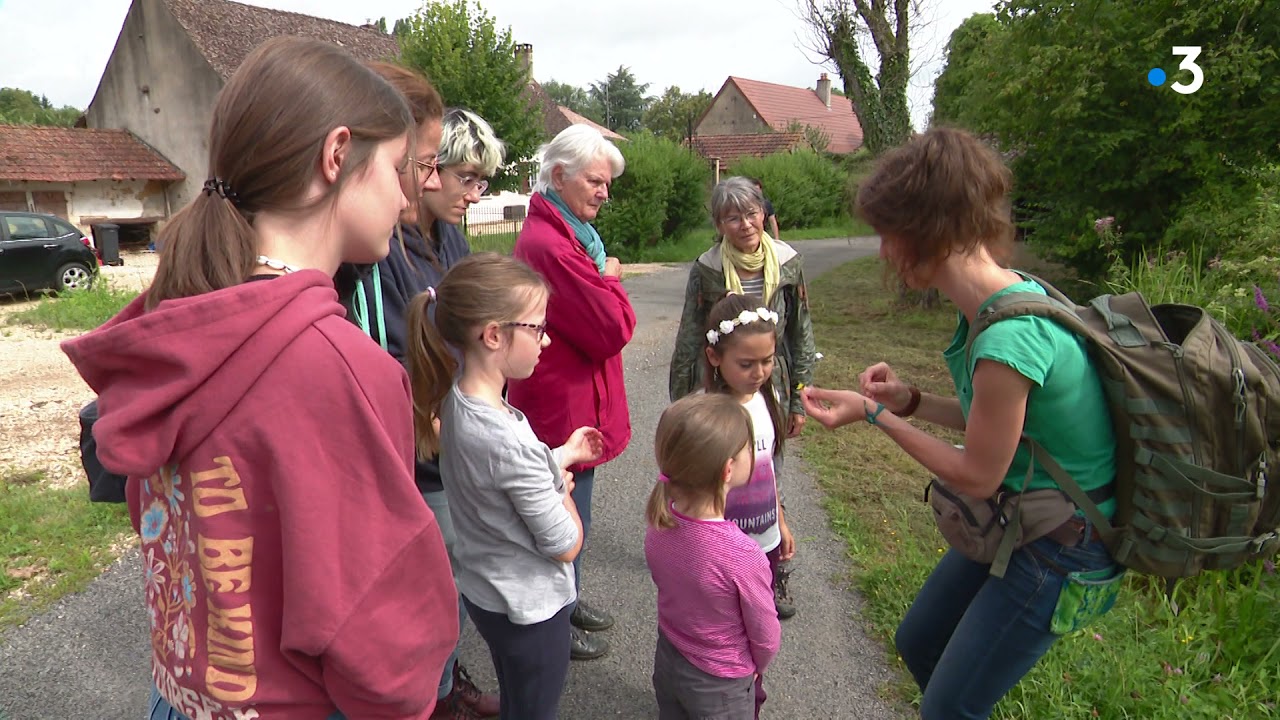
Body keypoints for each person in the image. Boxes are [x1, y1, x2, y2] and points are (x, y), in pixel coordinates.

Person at [60, 37, 458, 719]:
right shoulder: (338, 365)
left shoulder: (179, 325)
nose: (405, 196)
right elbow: (374, 619)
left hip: (183, 696)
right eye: (397, 168)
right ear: (337, 158)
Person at [800, 127, 1119, 720]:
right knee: (917, 642)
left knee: (947, 708)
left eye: (889, 235)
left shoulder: (1008, 338)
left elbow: (975, 474)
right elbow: (995, 422)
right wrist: (909, 400)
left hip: (1064, 544)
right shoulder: (999, 303)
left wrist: (874, 416)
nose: (885, 252)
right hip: (1025, 517)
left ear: (926, 233)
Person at [342, 67, 505, 720]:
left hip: (443, 444)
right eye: (449, 170)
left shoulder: (450, 241)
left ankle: (443, 681)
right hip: (414, 453)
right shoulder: (372, 253)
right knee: (422, 588)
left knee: (442, 584)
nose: (457, 187)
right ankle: (432, 696)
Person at [405, 253, 604, 720]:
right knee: (536, 708)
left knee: (517, 692)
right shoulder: (506, 438)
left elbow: (502, 480)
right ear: (494, 335)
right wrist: (563, 494)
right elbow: (564, 544)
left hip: (488, 596)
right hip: (531, 612)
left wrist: (562, 456)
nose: (546, 339)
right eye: (536, 328)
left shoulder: (455, 401)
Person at [508, 124, 634, 660]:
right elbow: (612, 328)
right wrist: (609, 277)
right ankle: (555, 622)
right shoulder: (554, 247)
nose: (605, 192)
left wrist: (602, 272)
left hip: (577, 402)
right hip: (562, 409)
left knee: (574, 513)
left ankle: (570, 599)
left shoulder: (570, 236)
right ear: (559, 176)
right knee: (560, 519)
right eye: (596, 181)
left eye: (608, 184)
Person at [669, 175, 816, 617]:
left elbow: (801, 330)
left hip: (772, 383)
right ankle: (712, 557)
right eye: (732, 217)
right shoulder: (708, 268)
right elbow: (691, 334)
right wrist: (681, 402)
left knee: (769, 469)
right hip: (721, 389)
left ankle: (774, 572)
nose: (744, 224)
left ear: (763, 214)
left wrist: (799, 395)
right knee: (721, 472)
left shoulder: (787, 262)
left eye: (751, 213)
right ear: (719, 223)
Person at [646, 393, 782, 720]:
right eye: (748, 446)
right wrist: (755, 668)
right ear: (728, 469)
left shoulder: (659, 523)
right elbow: (765, 635)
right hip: (722, 683)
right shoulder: (742, 554)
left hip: (669, 658)